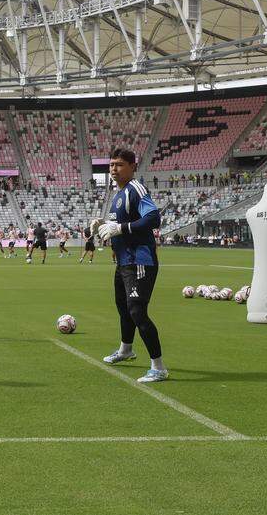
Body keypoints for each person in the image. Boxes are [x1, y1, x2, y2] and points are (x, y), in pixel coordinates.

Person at [95, 148, 167, 383]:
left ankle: (158, 367)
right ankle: (126, 350)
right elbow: (122, 223)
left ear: (132, 166)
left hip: (140, 261)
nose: (114, 169)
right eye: (111, 165)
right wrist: (104, 223)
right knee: (123, 308)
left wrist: (120, 228)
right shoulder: (119, 194)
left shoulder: (136, 189)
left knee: (137, 311)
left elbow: (153, 218)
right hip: (124, 262)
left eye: (119, 164)